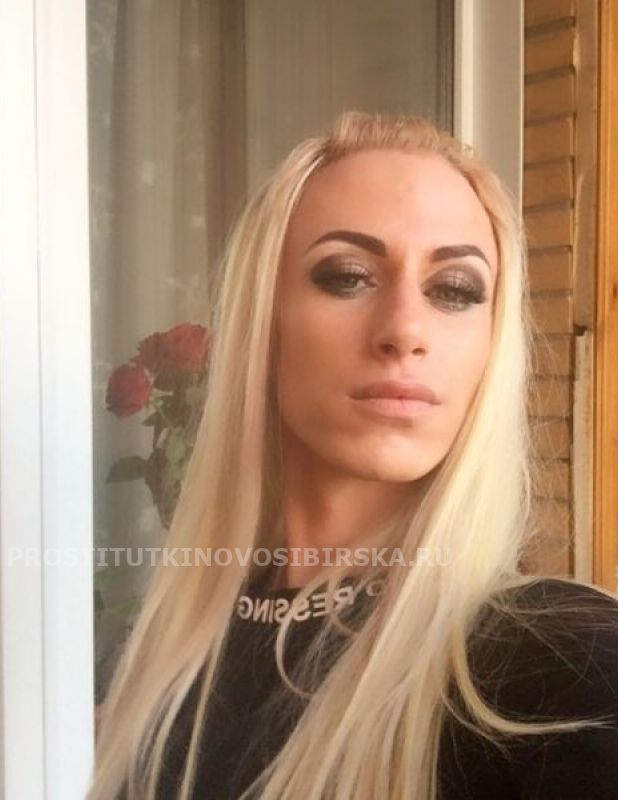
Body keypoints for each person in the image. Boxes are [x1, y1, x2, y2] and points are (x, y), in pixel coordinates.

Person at [88, 111, 618, 800]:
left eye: (455, 290)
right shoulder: (158, 657)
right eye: (347, 276)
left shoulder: (567, 665)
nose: (405, 329)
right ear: (263, 322)